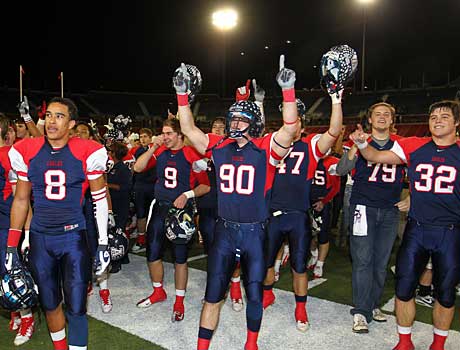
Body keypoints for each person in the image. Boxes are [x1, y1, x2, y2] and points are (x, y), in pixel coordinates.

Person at [176, 55, 300, 350]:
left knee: (254, 293)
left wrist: (288, 90)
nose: (235, 123)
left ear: (254, 122)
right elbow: (188, 128)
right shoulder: (219, 147)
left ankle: (251, 344)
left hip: (256, 232)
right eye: (233, 118)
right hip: (224, 231)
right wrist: (182, 95)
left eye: (242, 118)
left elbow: (290, 128)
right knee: (212, 294)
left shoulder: (265, 148)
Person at [349, 100, 460, 350]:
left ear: (456, 123)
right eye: (432, 116)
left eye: (444, 116)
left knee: (445, 292)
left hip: (450, 231)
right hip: (417, 228)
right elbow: (375, 156)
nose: (437, 120)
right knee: (404, 287)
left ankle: (438, 344)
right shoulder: (415, 146)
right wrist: (361, 143)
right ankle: (404, 341)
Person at [5, 97, 110, 350]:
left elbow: (100, 199)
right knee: (50, 304)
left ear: (72, 123)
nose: (52, 120)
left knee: (76, 307)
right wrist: (12, 244)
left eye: (59, 116)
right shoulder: (26, 149)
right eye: (49, 115)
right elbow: (20, 199)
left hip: (73, 237)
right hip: (41, 238)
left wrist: (104, 242)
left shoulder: (87, 150)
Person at [262, 91, 343, 333]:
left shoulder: (311, 146)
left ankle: (301, 308)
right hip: (272, 213)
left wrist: (336, 100)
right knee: (267, 263)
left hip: (297, 215)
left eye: (297, 119)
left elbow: (334, 132)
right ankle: (267, 294)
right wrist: (257, 104)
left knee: (299, 265)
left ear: (302, 123)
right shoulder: (273, 141)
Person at [336, 102, 407, 333]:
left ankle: (373, 304)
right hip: (363, 207)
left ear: (392, 120)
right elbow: (341, 169)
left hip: (390, 209)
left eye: (387, 114)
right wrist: (356, 147)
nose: (382, 117)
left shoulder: (401, 145)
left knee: (380, 262)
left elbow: (419, 172)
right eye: (378, 114)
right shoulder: (359, 139)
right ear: (370, 119)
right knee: (363, 260)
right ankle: (360, 310)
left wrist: (413, 197)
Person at [134, 118, 210, 323]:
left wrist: (187, 194)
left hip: (181, 211)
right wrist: (153, 146)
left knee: (179, 257)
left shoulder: (191, 154)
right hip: (159, 207)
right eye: (163, 133)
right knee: (153, 252)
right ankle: (158, 291)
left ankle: (179, 300)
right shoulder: (159, 151)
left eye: (168, 133)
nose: (165, 137)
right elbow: (138, 168)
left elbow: (206, 186)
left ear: (179, 135)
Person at [0, 114, 36, 346]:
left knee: (12, 270)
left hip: (6, 217)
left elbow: (21, 198)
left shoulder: (8, 156)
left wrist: (28, 230)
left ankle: (27, 317)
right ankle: (15, 310)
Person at [307, 154, 341, 279]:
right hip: (307, 201)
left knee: (323, 234)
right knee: (309, 232)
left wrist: (324, 201)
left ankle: (320, 264)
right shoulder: (308, 158)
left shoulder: (332, 162)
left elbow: (336, 187)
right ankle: (314, 253)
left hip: (323, 202)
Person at [131, 128, 156, 253]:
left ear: (151, 138)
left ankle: (152, 237)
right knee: (141, 214)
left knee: (153, 214)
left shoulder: (156, 150)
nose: (143, 139)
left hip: (153, 186)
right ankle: (141, 239)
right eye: (141, 137)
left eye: (146, 136)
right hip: (140, 185)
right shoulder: (137, 151)